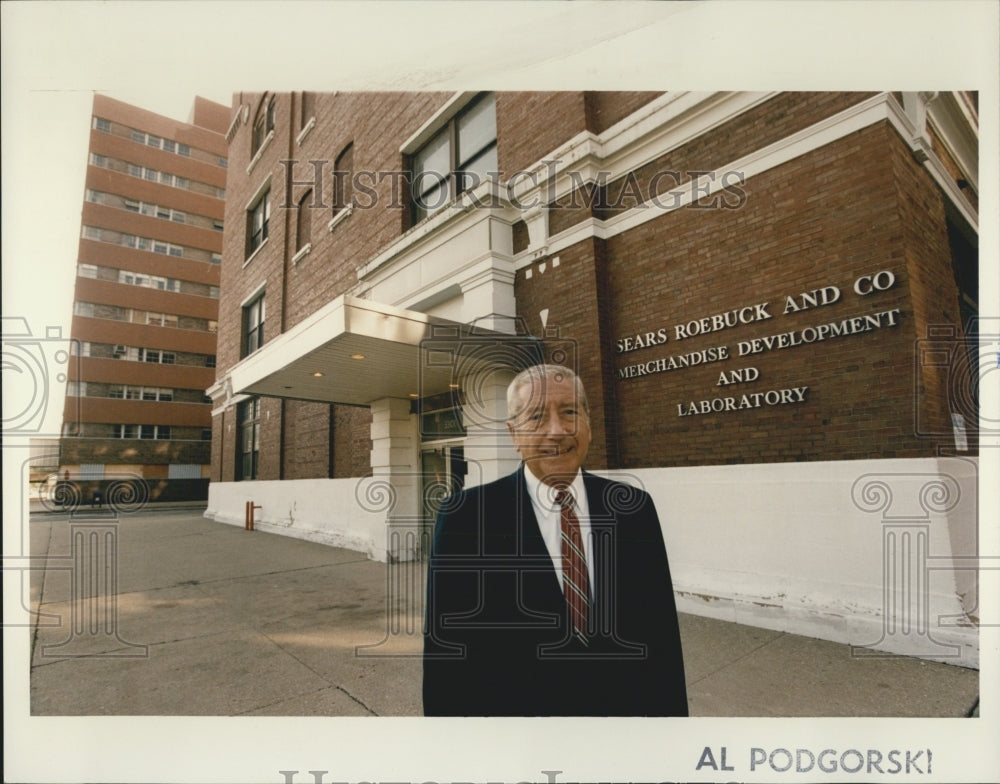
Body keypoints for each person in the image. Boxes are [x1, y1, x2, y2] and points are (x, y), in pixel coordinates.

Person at [423, 363, 688, 716]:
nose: (557, 430)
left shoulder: (633, 509)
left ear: (589, 425)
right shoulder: (465, 519)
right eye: (536, 417)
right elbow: (448, 662)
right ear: (514, 434)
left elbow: (662, 640)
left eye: (569, 412)